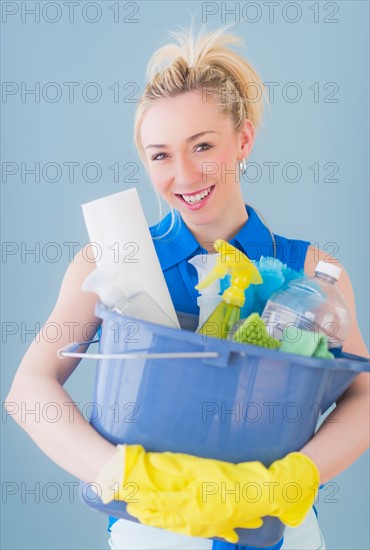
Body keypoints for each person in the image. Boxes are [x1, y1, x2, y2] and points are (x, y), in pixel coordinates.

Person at [5, 24, 369, 550]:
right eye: (160, 155)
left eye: (203, 146)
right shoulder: (111, 264)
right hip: (151, 535)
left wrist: (284, 481)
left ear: (242, 139)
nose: (185, 174)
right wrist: (125, 474)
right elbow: (28, 391)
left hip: (279, 535)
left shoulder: (311, 271)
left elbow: (363, 396)